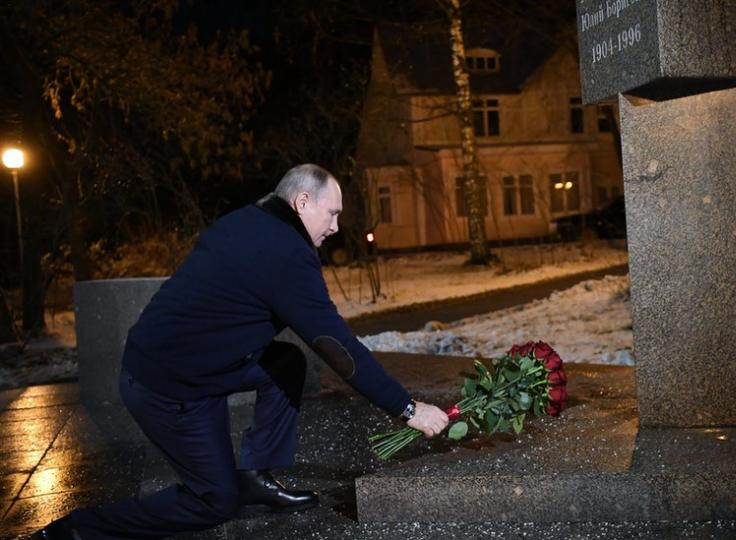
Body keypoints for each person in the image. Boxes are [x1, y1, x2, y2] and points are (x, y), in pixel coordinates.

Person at [32, 164, 449, 539]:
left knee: (285, 363)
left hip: (194, 367)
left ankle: (253, 476)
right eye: (333, 212)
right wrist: (408, 409)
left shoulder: (248, 222)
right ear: (302, 201)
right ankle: (78, 530)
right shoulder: (284, 253)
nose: (337, 226)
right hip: (168, 389)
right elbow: (337, 346)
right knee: (212, 502)